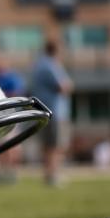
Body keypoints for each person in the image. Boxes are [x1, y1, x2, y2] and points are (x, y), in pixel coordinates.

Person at [29, 41, 73, 186]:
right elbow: (64, 86)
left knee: (48, 146)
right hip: (56, 111)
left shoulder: (39, 64)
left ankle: (49, 174)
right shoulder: (51, 65)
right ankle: (53, 175)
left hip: (44, 110)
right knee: (55, 146)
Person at [0, 56, 25, 184]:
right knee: (2, 146)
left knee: (11, 146)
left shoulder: (11, 78)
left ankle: (11, 172)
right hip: (0, 117)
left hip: (11, 116)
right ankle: (5, 172)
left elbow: (15, 93)